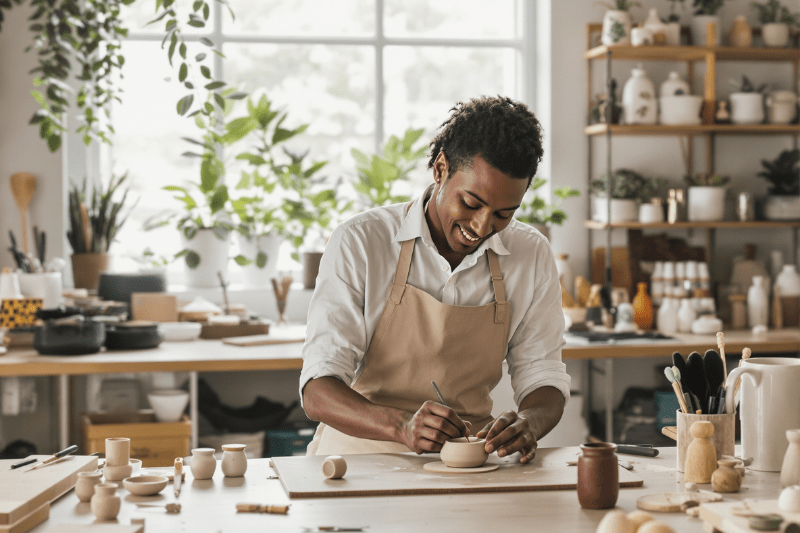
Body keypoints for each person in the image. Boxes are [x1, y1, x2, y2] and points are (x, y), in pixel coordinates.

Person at [300, 95, 570, 463]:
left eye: (504, 214)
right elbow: (318, 390)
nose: (482, 226)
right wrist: (401, 426)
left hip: (468, 462)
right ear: (440, 169)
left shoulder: (530, 253)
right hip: (359, 459)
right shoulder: (362, 241)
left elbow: (543, 374)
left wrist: (529, 422)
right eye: (471, 203)